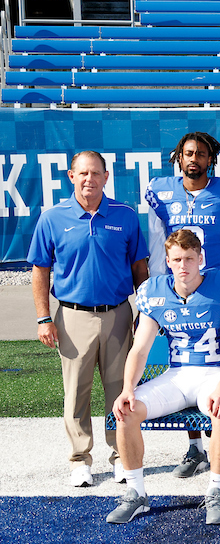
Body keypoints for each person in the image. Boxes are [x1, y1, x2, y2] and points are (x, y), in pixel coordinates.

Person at [108, 230, 220, 525]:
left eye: (189, 259)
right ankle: (136, 493)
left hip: (214, 374)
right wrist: (127, 389)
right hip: (176, 375)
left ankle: (216, 491)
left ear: (201, 259)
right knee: (126, 411)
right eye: (177, 260)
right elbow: (140, 349)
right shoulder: (154, 291)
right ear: (167, 262)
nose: (183, 265)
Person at [29, 150, 149, 487]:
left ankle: (119, 456)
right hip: (72, 316)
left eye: (95, 173)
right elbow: (40, 270)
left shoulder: (124, 216)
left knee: (120, 390)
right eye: (82, 173)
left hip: (118, 314)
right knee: (76, 392)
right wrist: (42, 318)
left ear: (106, 177)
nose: (89, 179)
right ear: (71, 176)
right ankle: (80, 459)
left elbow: (140, 268)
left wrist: (146, 311)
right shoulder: (52, 218)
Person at [144, 130, 220, 479]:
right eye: (188, 153)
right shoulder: (161, 191)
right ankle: (195, 448)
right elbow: (158, 247)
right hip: (179, 291)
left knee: (215, 365)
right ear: (179, 156)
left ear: (211, 160)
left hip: (217, 294)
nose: (194, 158)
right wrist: (163, 294)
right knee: (184, 360)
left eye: (201, 154)